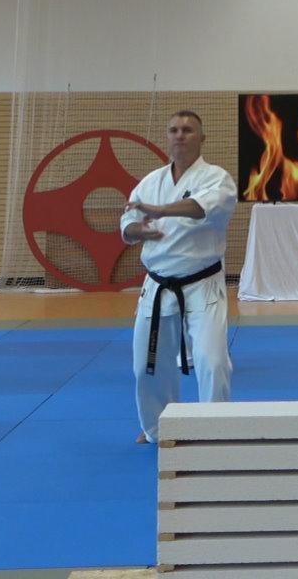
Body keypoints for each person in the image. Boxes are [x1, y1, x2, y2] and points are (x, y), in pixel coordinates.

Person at [120, 110, 239, 444]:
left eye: (188, 130)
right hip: (158, 285)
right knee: (147, 366)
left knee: (212, 362)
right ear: (167, 137)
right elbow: (127, 222)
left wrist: (160, 210)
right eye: (174, 130)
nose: (180, 135)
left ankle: (215, 431)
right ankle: (159, 428)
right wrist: (138, 231)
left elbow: (201, 207)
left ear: (201, 138)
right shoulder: (150, 182)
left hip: (203, 284)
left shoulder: (217, 178)